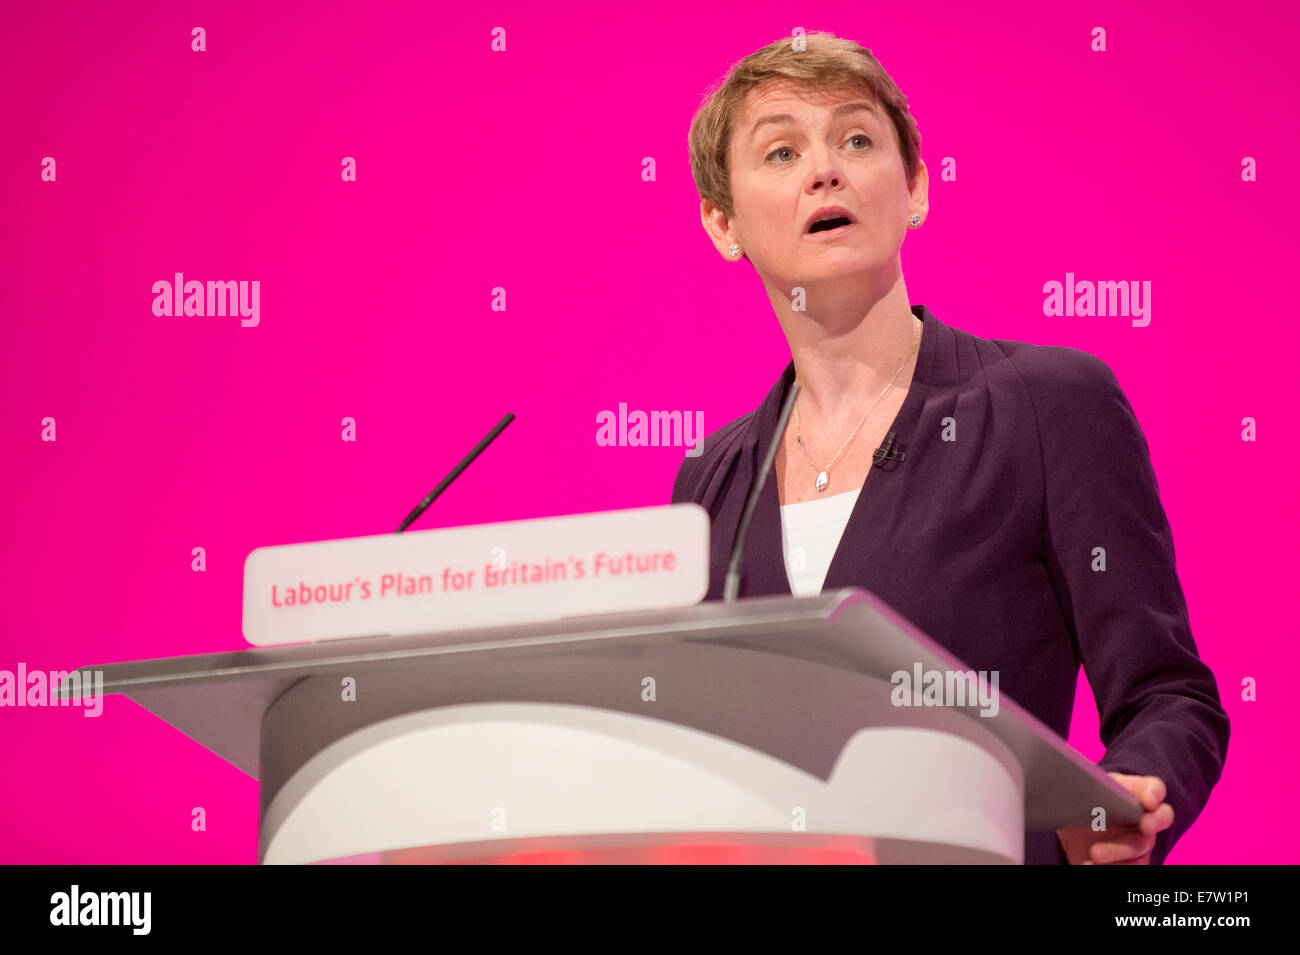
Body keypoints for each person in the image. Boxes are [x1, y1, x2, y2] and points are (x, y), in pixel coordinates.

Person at [673, 31, 1229, 865]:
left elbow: (1169, 694)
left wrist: (1131, 789)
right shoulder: (709, 480)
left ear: (916, 188)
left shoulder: (1046, 405)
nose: (826, 169)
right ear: (723, 223)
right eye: (782, 151)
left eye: (857, 139)